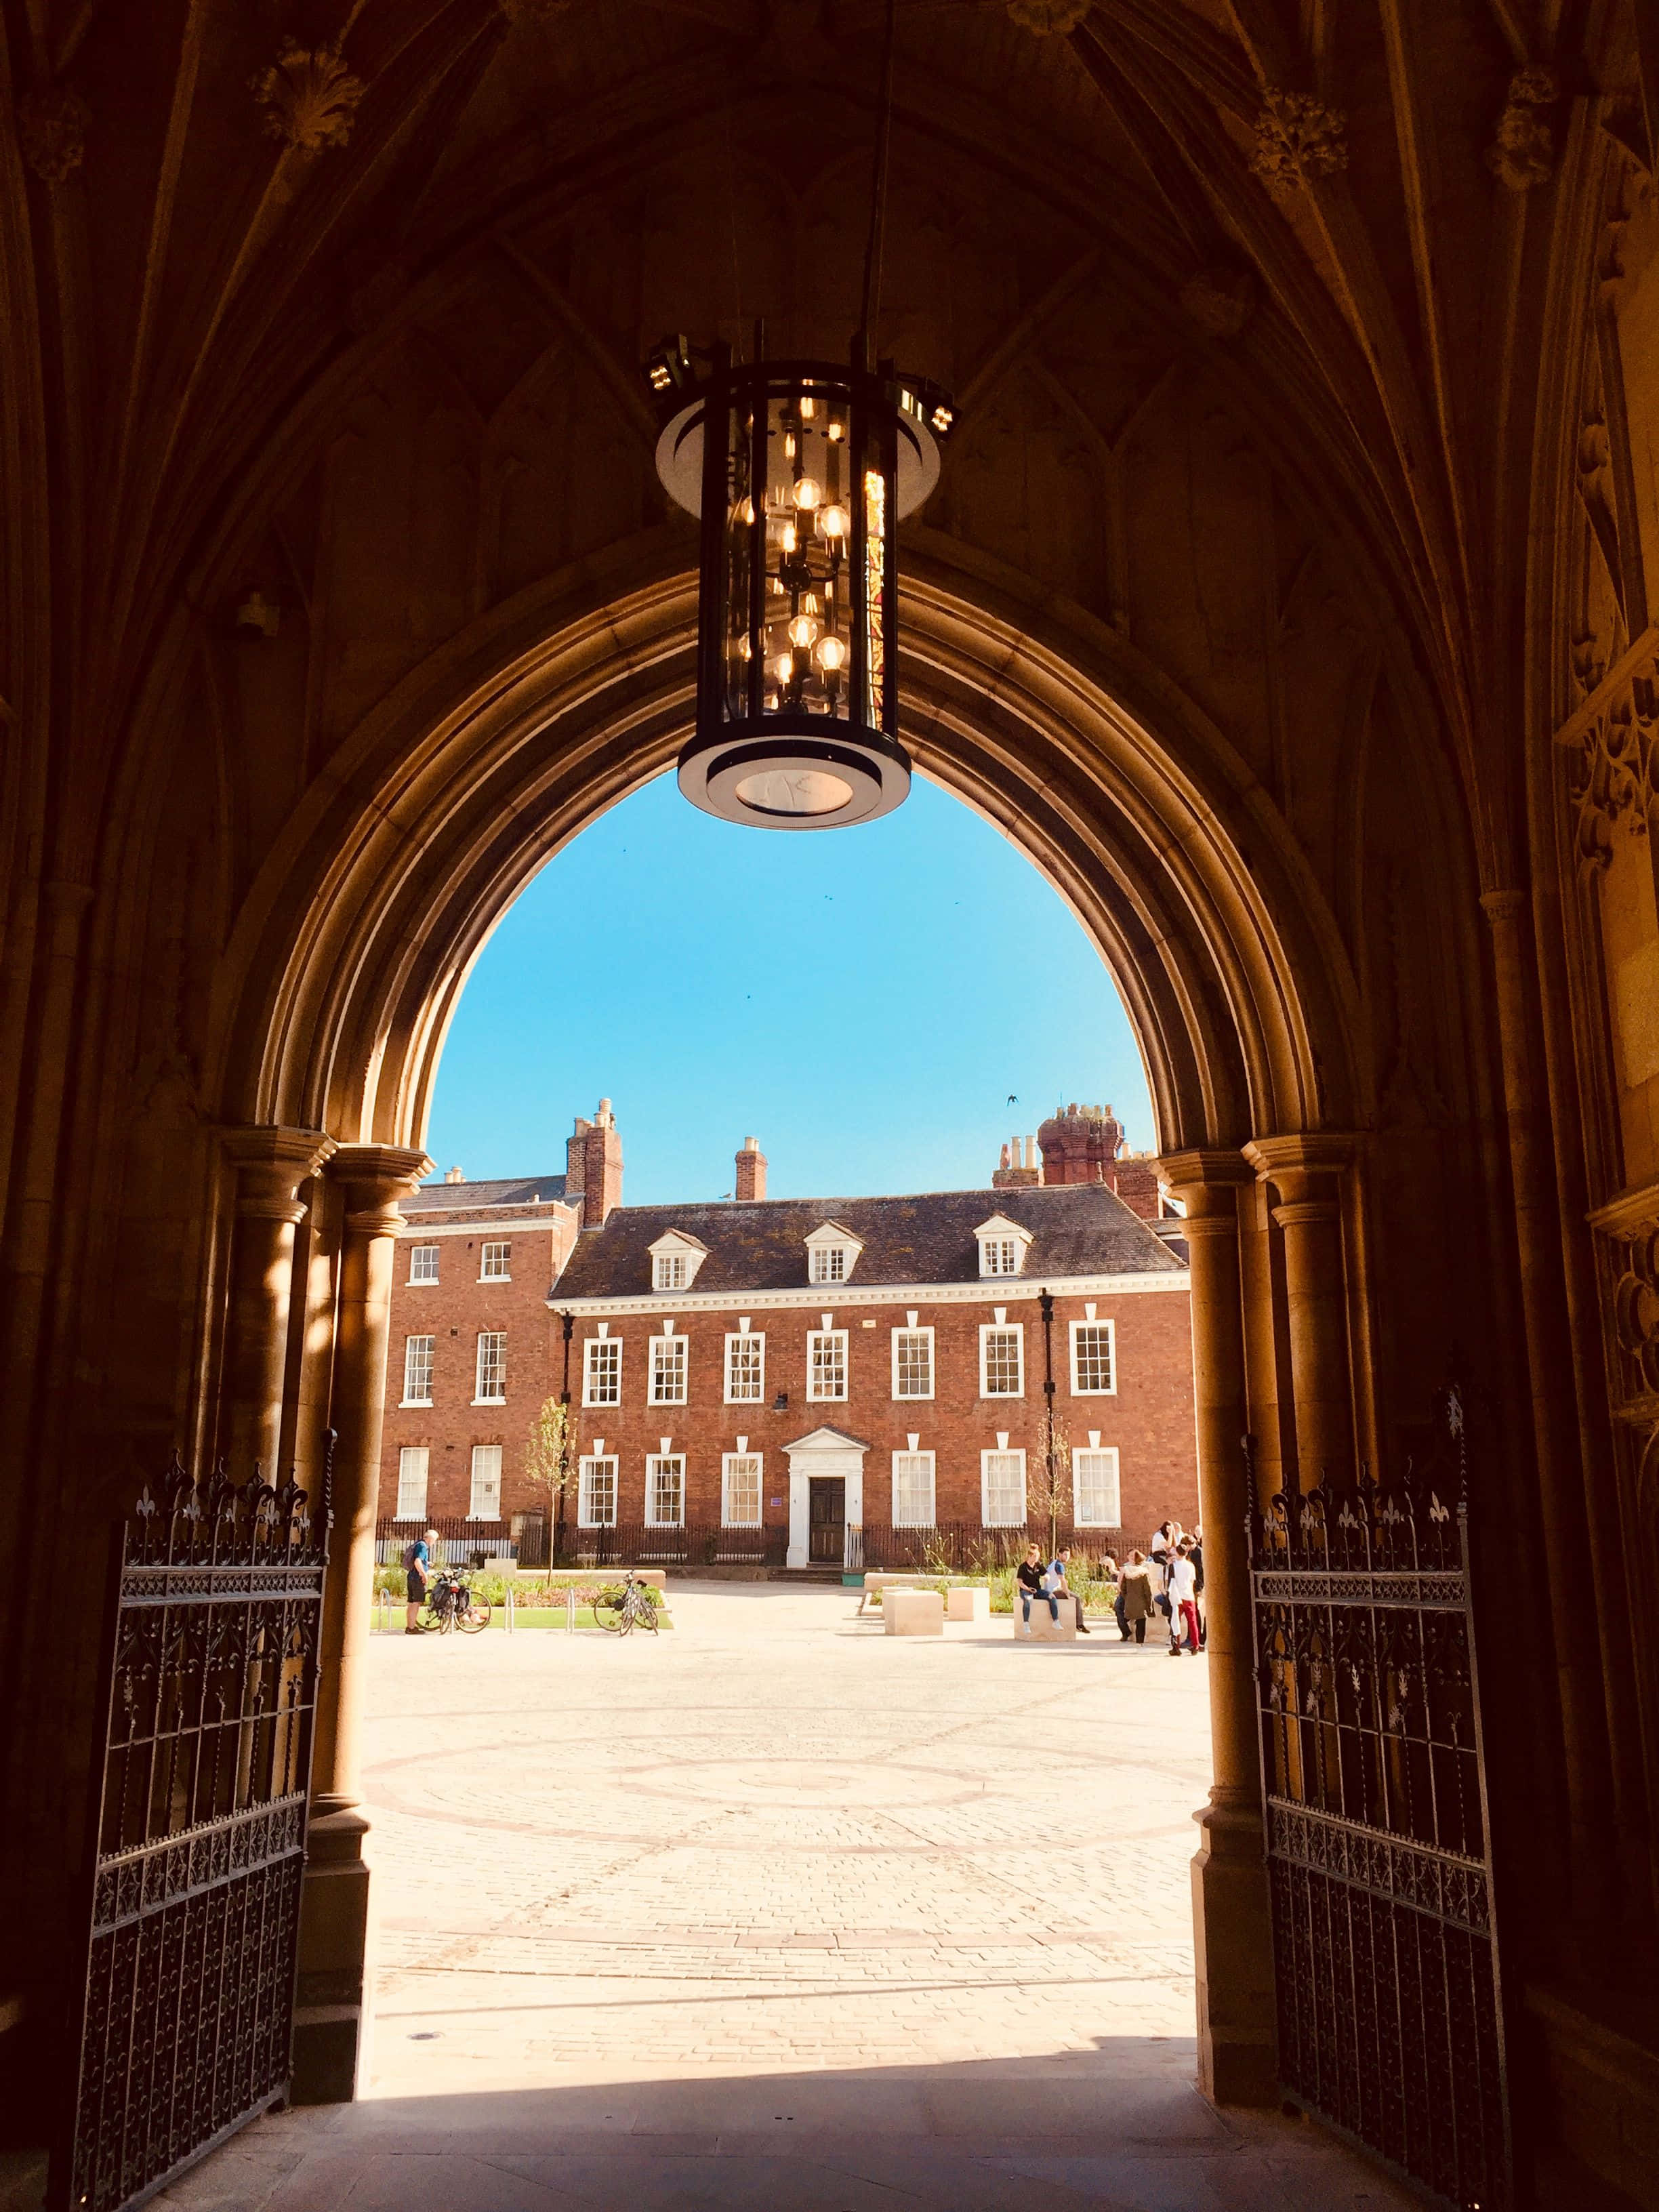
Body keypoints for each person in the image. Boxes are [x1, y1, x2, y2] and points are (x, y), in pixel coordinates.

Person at [1166, 1538, 1202, 1656]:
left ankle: (1176, 1646)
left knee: (1175, 1621)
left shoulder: (1173, 1566)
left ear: (1177, 1553)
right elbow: (1192, 1581)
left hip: (1177, 1596)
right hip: (1189, 1595)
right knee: (1192, 1621)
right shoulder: (1191, 1566)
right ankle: (1196, 1645)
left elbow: (1169, 1580)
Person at [1047, 1547, 1090, 1633]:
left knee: (1074, 1596)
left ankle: (1078, 1624)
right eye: (1065, 1555)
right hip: (1054, 1591)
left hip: (1049, 1589)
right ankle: (1079, 1624)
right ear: (1059, 1554)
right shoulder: (1059, 1565)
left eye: (1068, 1555)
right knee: (1077, 1598)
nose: (1067, 1557)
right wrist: (1068, 1595)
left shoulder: (1053, 1563)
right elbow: (1063, 1581)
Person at [1017, 1542, 1059, 1631]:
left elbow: (1046, 1573)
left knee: (1052, 1597)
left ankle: (1056, 1621)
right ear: (1030, 1556)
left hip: (1037, 1590)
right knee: (1028, 1599)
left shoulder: (1038, 1565)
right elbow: (1020, 1582)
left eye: (1037, 1556)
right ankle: (1026, 1624)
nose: (1037, 1558)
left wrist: (1047, 1577)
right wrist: (1028, 1589)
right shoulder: (1023, 1567)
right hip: (1026, 1590)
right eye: (1035, 1556)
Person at [1116, 1549, 1153, 1643]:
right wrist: (1150, 1607)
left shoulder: (1127, 1571)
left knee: (1123, 1614)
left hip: (1129, 1601)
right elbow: (1147, 1591)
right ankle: (1140, 1642)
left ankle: (1126, 1633)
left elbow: (1123, 1587)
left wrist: (1127, 1598)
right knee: (1141, 1621)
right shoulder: (1144, 1573)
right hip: (1141, 1602)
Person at [403, 1527, 436, 1633]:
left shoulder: (418, 1544)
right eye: (434, 1540)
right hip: (417, 1578)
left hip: (411, 1577)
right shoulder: (423, 1546)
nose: (434, 1543)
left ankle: (410, 1627)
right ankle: (412, 1628)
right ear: (430, 1539)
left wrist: (427, 1563)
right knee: (416, 1603)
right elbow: (417, 1562)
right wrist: (424, 1575)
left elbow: (418, 1560)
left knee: (412, 1603)